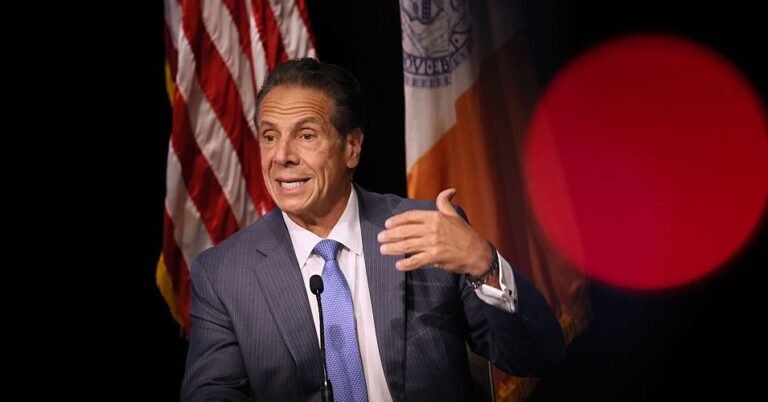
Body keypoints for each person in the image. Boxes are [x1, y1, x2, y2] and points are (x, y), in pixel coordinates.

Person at [181, 58, 565, 401]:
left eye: (306, 135)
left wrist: (484, 263)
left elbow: (538, 357)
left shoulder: (429, 233)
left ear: (351, 147)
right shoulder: (224, 274)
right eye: (270, 136)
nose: (281, 156)